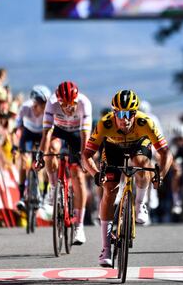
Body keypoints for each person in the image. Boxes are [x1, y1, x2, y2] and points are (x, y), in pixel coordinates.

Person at [81, 90, 173, 267]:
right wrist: (95, 174)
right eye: (121, 114)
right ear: (114, 113)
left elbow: (165, 152)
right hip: (113, 148)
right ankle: (106, 248)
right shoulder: (105, 124)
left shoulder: (144, 122)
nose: (126, 119)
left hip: (138, 144)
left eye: (130, 113)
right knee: (109, 190)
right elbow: (87, 154)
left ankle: (140, 204)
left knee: (141, 163)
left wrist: (160, 174)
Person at [35, 81, 92, 245]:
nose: (69, 108)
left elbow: (85, 136)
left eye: (72, 104)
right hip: (58, 130)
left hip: (76, 133)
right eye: (64, 105)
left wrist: (83, 158)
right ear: (58, 102)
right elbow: (46, 134)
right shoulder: (51, 103)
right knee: (51, 149)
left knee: (78, 176)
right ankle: (53, 189)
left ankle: (79, 226)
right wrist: (41, 154)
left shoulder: (84, 103)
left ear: (77, 99)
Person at [13, 85, 51, 210]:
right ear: (36, 102)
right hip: (27, 133)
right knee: (24, 162)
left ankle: (44, 192)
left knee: (45, 159)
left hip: (42, 134)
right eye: (43, 104)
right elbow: (17, 128)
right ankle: (21, 196)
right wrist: (15, 145)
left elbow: (50, 132)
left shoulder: (49, 111)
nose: (45, 107)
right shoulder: (25, 107)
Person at [169, 123, 183, 215]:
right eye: (178, 139)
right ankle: (176, 201)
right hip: (179, 161)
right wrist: (174, 165)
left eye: (182, 139)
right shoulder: (173, 143)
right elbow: (170, 157)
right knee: (176, 174)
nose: (180, 141)